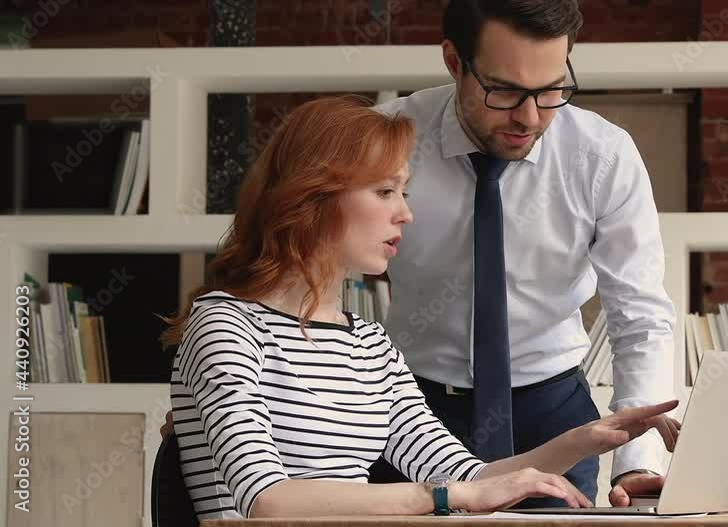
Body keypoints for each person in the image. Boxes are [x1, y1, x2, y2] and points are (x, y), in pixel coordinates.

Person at [160, 96, 680, 520]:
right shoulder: (226, 325)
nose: (406, 214)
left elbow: (468, 476)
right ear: (311, 199)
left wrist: (582, 441)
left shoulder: (368, 343)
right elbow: (266, 501)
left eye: (404, 191)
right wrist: (439, 498)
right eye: (385, 191)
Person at [367, 0, 680, 507]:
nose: (530, 117)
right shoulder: (385, 140)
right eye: (505, 90)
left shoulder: (602, 157)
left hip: (552, 413)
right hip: (410, 409)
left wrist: (638, 461)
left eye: (551, 89)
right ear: (454, 62)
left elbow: (639, 316)